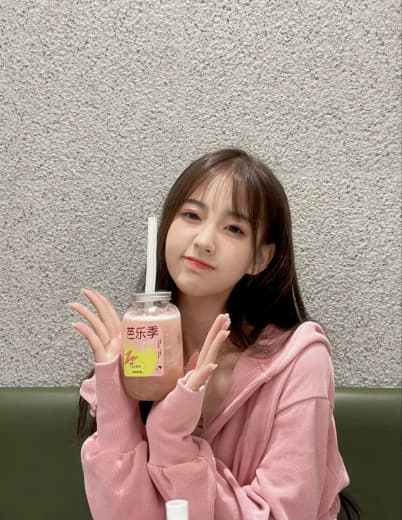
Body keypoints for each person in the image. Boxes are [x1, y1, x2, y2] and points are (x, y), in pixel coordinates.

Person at [71, 148, 358, 520]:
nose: (204, 240)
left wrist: (172, 439)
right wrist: (117, 403)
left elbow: (284, 513)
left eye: (234, 228)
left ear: (260, 257)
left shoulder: (299, 362)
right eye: (191, 215)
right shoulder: (136, 354)